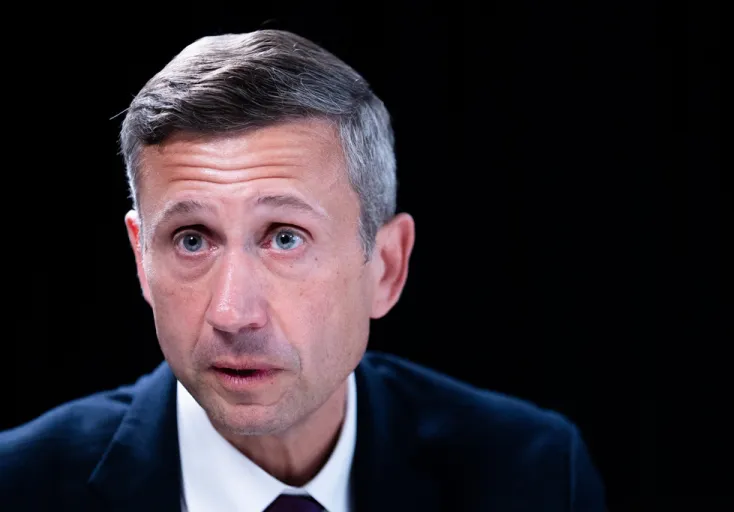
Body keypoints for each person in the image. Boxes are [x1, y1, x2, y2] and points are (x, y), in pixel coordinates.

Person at [0, 29, 606, 511]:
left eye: (284, 237)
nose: (233, 314)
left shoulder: (535, 475)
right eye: (192, 240)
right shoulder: (19, 486)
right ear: (141, 260)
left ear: (387, 267)